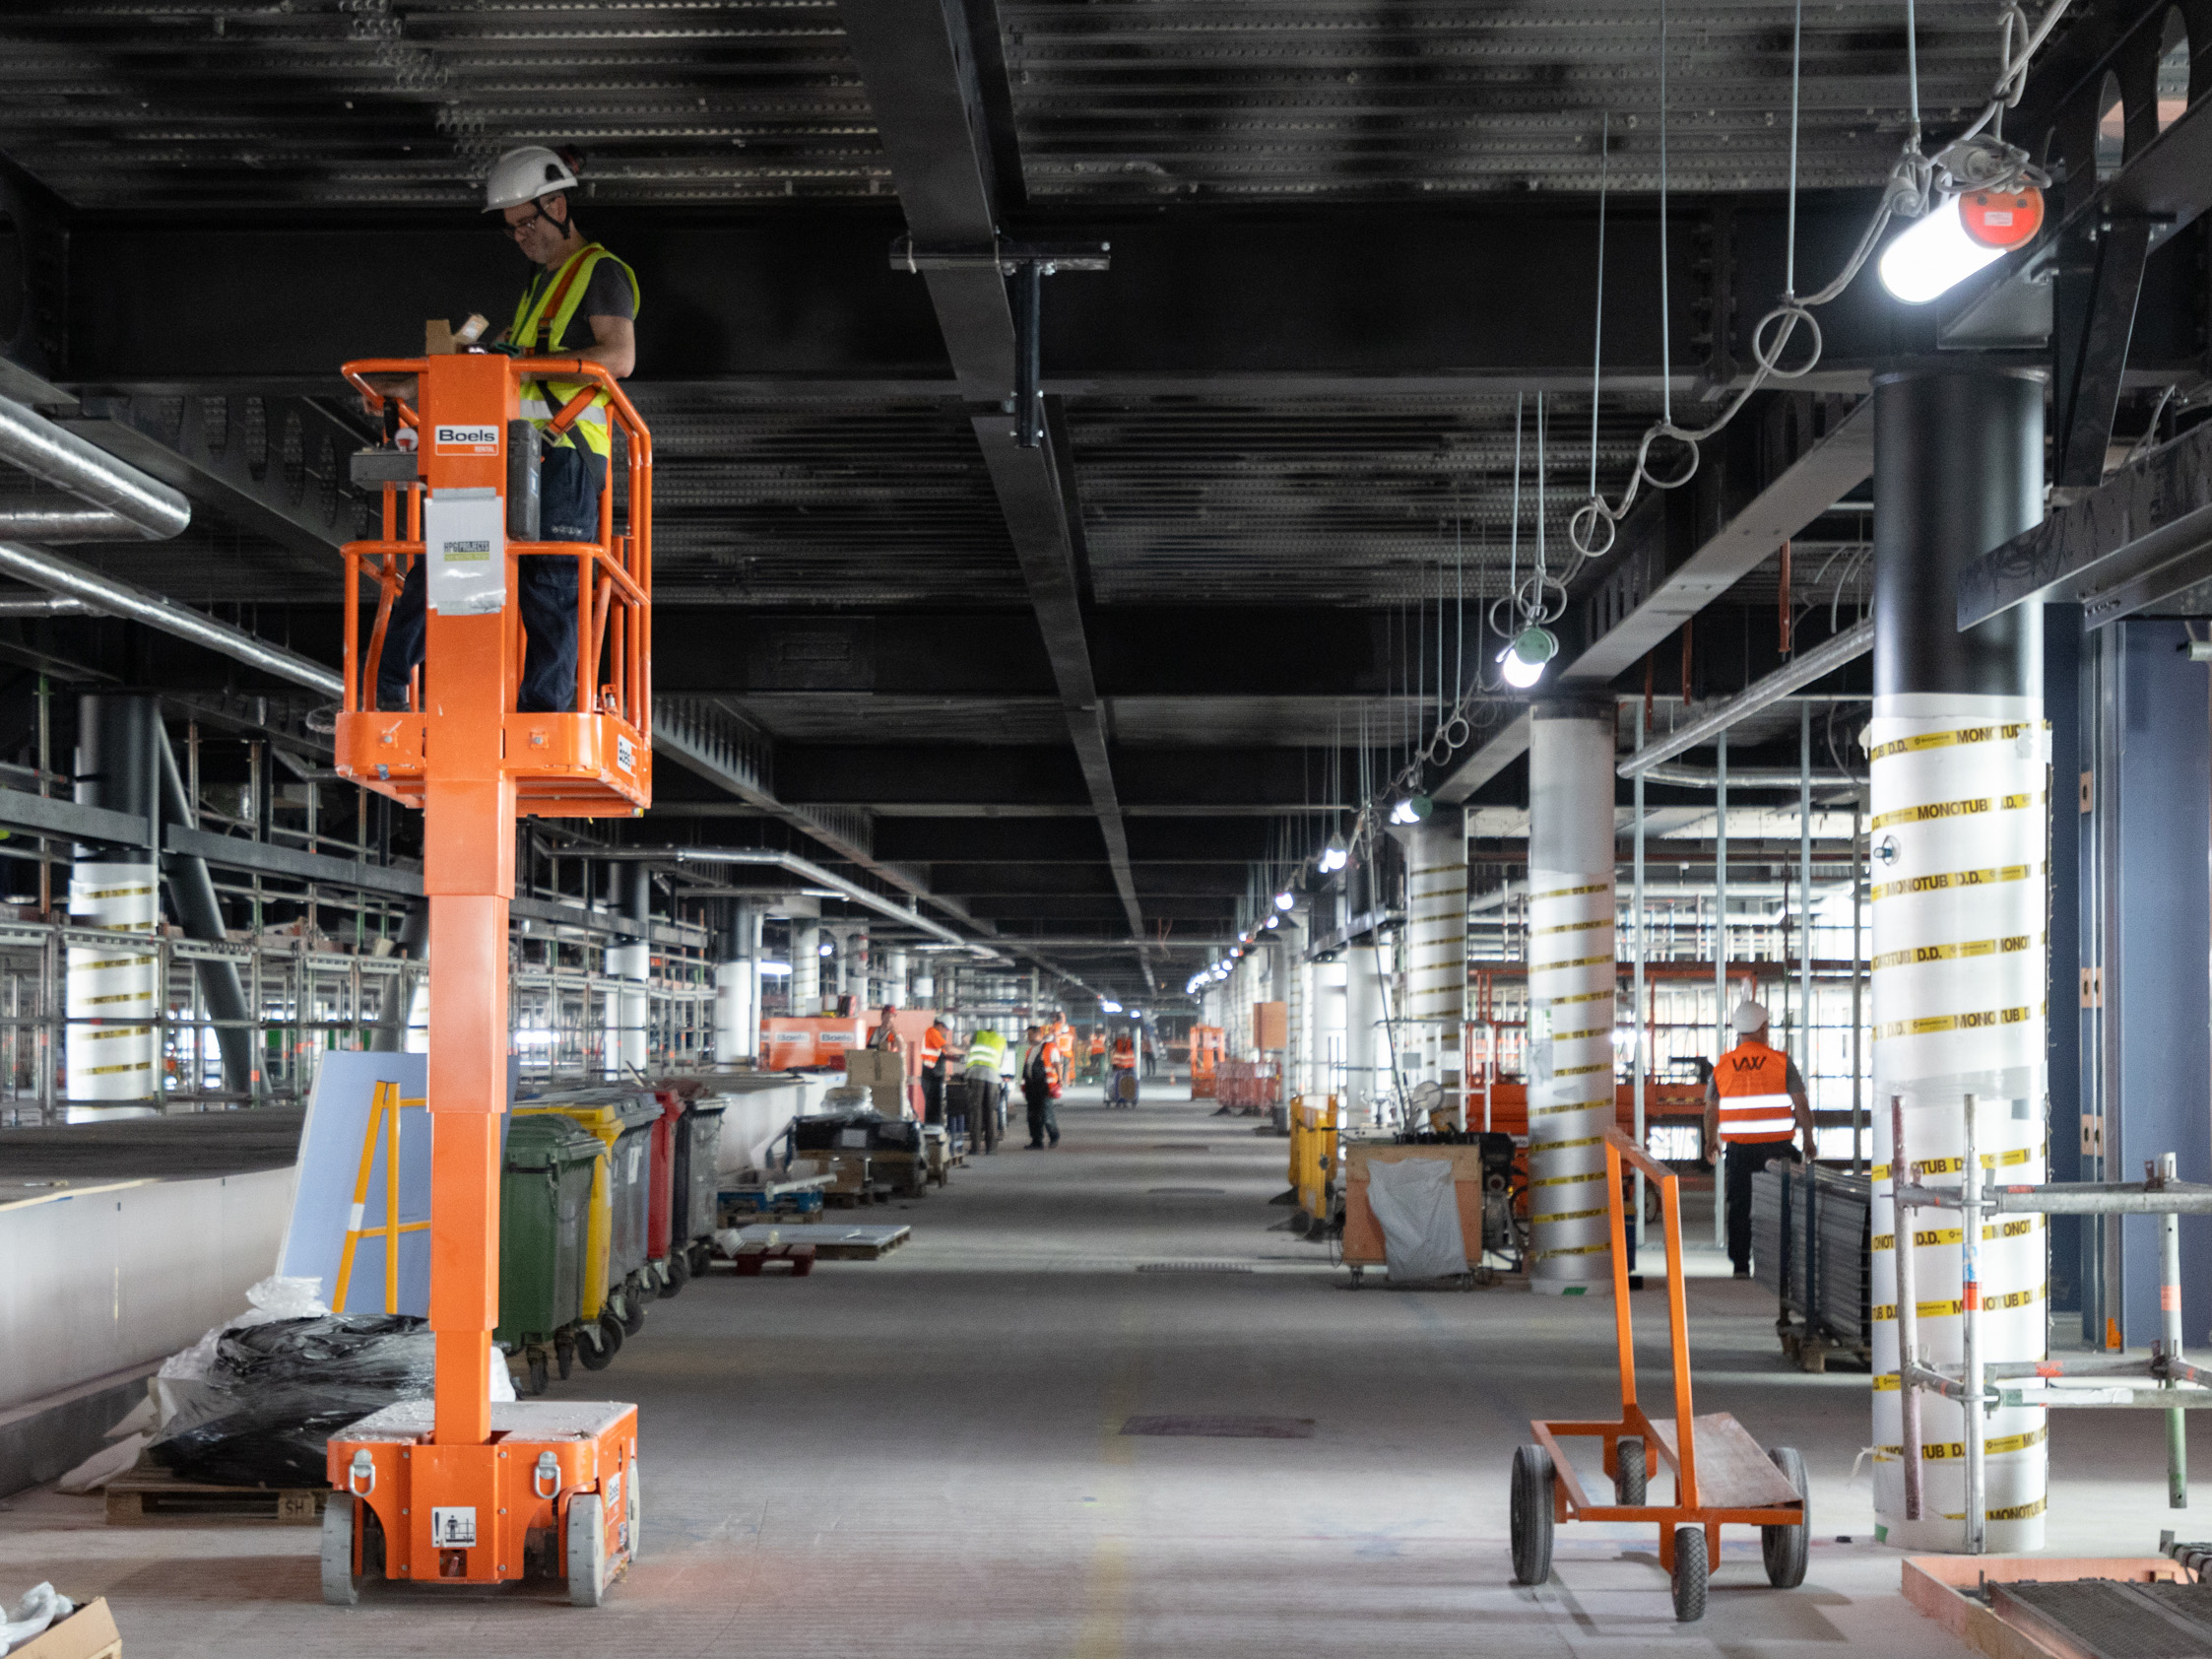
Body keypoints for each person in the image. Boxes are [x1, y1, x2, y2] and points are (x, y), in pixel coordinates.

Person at [377, 145, 640, 715]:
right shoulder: (536, 286)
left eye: (527, 223)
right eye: (512, 229)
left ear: (558, 205)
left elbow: (619, 357)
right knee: (449, 556)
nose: (520, 236)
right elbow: (503, 371)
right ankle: (391, 687)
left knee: (550, 590)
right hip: (509, 450)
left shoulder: (602, 272)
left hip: (566, 455)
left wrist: (527, 364)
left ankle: (543, 719)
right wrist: (421, 388)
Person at [1703, 999, 1815, 1280]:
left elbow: (1710, 1109)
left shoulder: (1723, 1066)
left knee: (1740, 1205)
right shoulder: (1781, 1062)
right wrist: (1809, 1139)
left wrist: (1710, 1140)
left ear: (1738, 1031)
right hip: (1778, 1150)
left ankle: (1741, 1266)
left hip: (1739, 1150)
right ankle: (1782, 1265)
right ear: (1764, 1027)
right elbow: (1800, 1104)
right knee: (1784, 1205)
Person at [963, 1027, 1007, 1154]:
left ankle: (975, 1148)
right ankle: (991, 1148)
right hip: (993, 1077)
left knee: (976, 1112)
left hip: (975, 1075)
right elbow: (1001, 1062)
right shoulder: (1001, 1040)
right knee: (991, 1112)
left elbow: (967, 1047)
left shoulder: (977, 1034)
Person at [1019, 1025, 1060, 1149]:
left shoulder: (1049, 1047)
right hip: (1032, 1087)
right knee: (1032, 1115)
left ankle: (1054, 1136)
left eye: (1030, 1034)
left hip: (1045, 1087)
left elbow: (1057, 1064)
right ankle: (1037, 1141)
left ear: (1038, 1034)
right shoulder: (1030, 1050)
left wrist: (1060, 1082)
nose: (1028, 1037)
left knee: (1046, 1114)